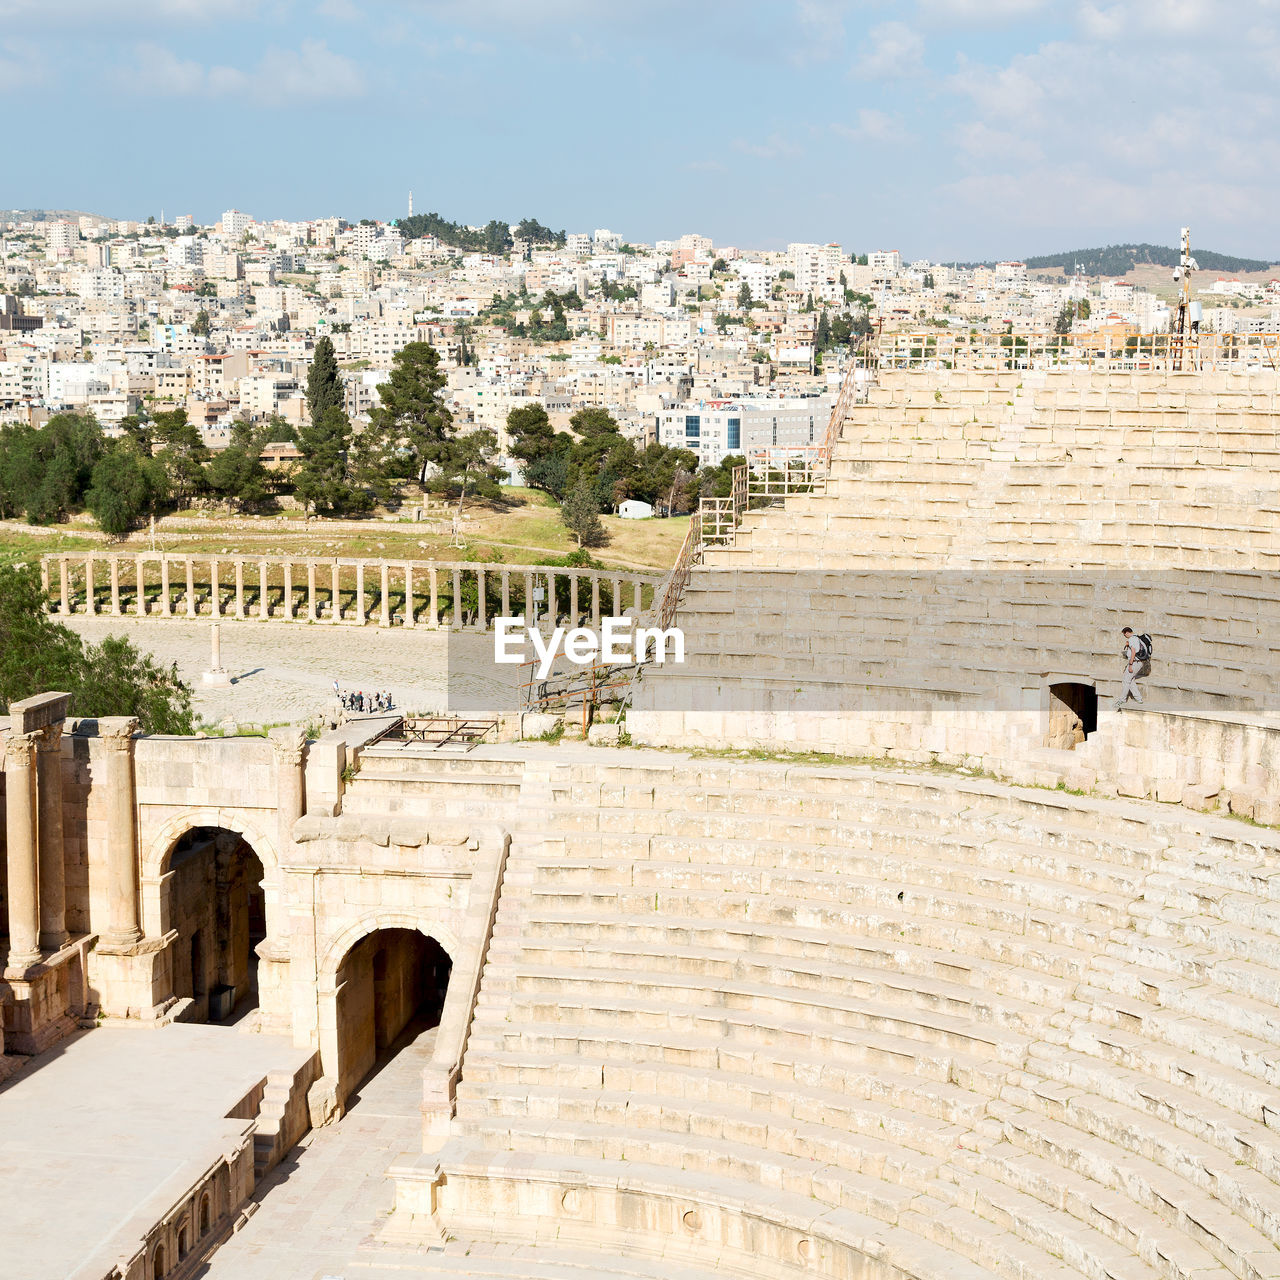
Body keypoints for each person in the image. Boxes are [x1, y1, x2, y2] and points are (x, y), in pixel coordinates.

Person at [1113, 626, 1151, 710]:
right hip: (1139, 663)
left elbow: (1134, 652)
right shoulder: (1136, 638)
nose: (1125, 636)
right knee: (1131, 679)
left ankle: (1122, 700)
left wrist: (1130, 664)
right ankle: (1138, 698)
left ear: (1127, 632)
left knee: (1126, 681)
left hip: (1134, 663)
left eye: (1124, 635)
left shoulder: (1132, 639)